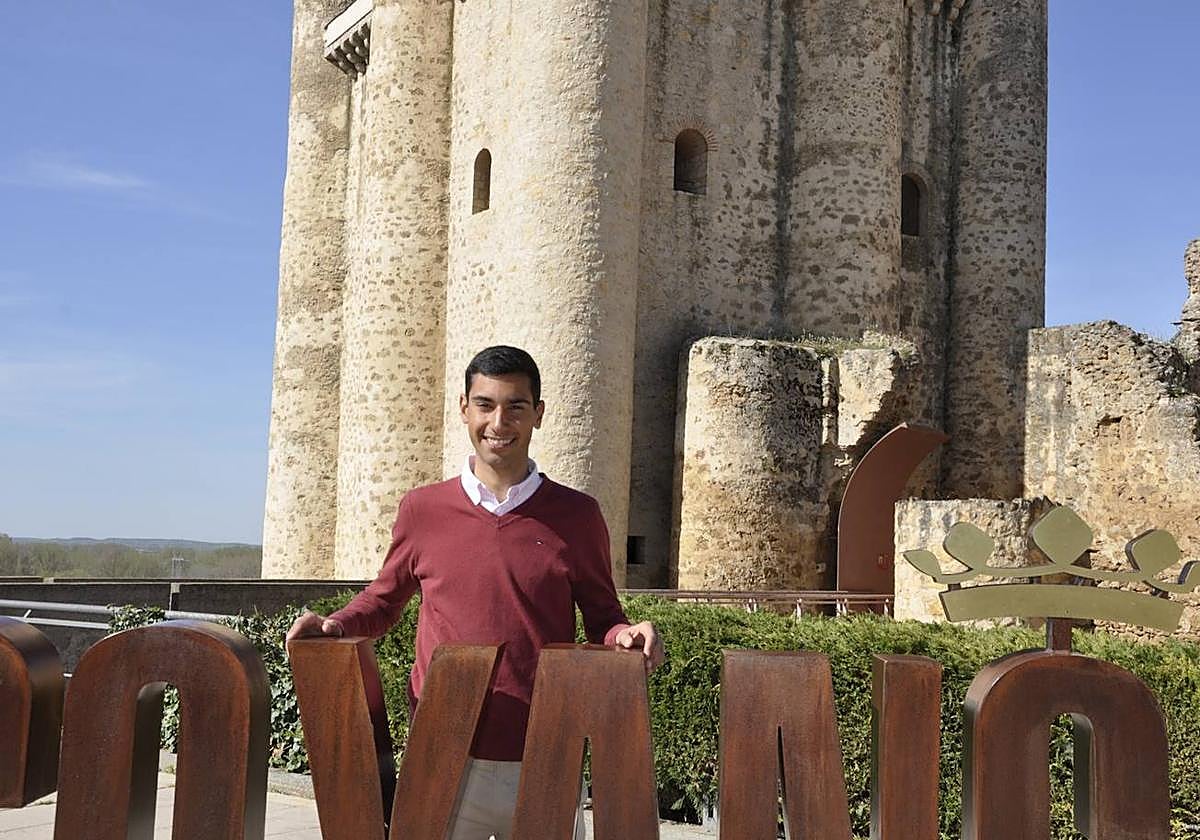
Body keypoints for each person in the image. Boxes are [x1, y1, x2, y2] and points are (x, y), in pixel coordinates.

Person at [286, 344, 664, 840]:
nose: (498, 422)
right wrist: (336, 625)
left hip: (544, 754)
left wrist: (626, 636)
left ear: (539, 415)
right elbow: (383, 601)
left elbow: (602, 617)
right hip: (440, 754)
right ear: (464, 408)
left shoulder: (579, 515)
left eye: (516, 406)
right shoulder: (422, 509)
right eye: (485, 405)